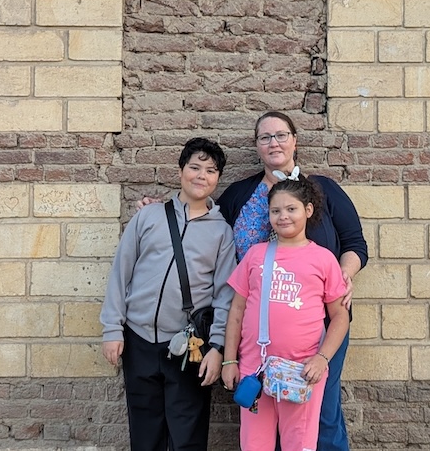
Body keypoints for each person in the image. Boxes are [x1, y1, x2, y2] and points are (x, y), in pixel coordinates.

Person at [217, 111, 368, 451]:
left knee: (321, 414)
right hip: (260, 336)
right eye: (265, 137)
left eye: (281, 135)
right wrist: (161, 210)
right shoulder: (241, 193)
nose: (274, 143)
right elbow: (206, 222)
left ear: (295, 140)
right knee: (260, 423)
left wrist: (344, 274)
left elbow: (355, 243)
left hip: (319, 326)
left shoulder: (323, 190)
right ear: (256, 146)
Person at [101, 137, 237, 451]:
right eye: (195, 167)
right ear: (180, 171)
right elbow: (121, 273)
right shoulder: (148, 217)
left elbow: (225, 297)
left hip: (188, 347)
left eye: (211, 170)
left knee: (187, 434)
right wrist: (112, 328)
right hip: (138, 340)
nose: (201, 176)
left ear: (218, 179)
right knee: (145, 432)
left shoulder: (222, 233)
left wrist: (217, 347)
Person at [221, 175, 351, 451]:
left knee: (299, 444)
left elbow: (340, 316)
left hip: (302, 372)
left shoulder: (323, 259)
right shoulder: (255, 256)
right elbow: (236, 311)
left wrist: (322, 358)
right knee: (254, 445)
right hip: (255, 370)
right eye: (275, 211)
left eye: (291, 209)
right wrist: (229, 360)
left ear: (308, 210)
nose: (283, 217)